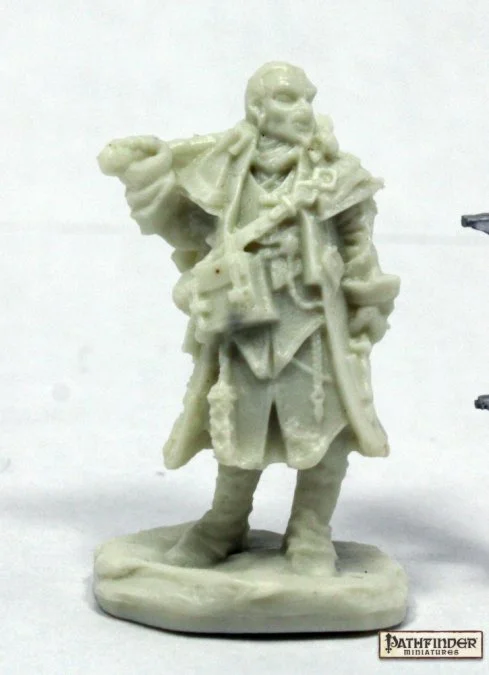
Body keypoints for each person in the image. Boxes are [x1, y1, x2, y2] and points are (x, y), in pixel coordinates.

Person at [98, 62, 400, 575]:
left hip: (313, 321)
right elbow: (187, 227)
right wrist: (148, 174)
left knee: (325, 428)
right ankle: (225, 523)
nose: (301, 109)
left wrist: (364, 299)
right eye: (287, 99)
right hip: (244, 320)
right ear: (258, 108)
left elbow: (356, 241)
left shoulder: (333, 173)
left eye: (307, 99)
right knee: (237, 426)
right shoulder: (225, 169)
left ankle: (310, 530)